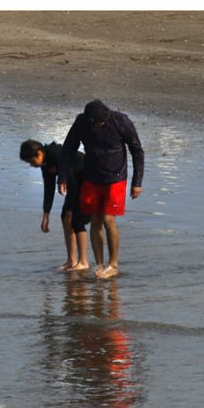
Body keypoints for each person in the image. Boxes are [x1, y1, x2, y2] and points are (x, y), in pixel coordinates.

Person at [60, 100, 144, 279]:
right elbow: (68, 149)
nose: (102, 124)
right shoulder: (82, 123)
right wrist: (63, 177)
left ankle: (113, 265)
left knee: (108, 219)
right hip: (92, 177)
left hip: (115, 178)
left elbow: (137, 150)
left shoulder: (121, 121)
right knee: (95, 219)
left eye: (103, 121)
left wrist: (137, 182)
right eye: (98, 123)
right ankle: (100, 265)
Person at [20, 139, 90, 271]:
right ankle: (71, 260)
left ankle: (83, 262)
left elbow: (70, 175)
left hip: (85, 177)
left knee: (75, 218)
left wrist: (71, 205)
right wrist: (46, 214)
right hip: (73, 181)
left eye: (31, 161)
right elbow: (49, 187)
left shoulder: (57, 153)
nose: (31, 165)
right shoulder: (45, 164)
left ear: (39, 154)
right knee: (66, 217)